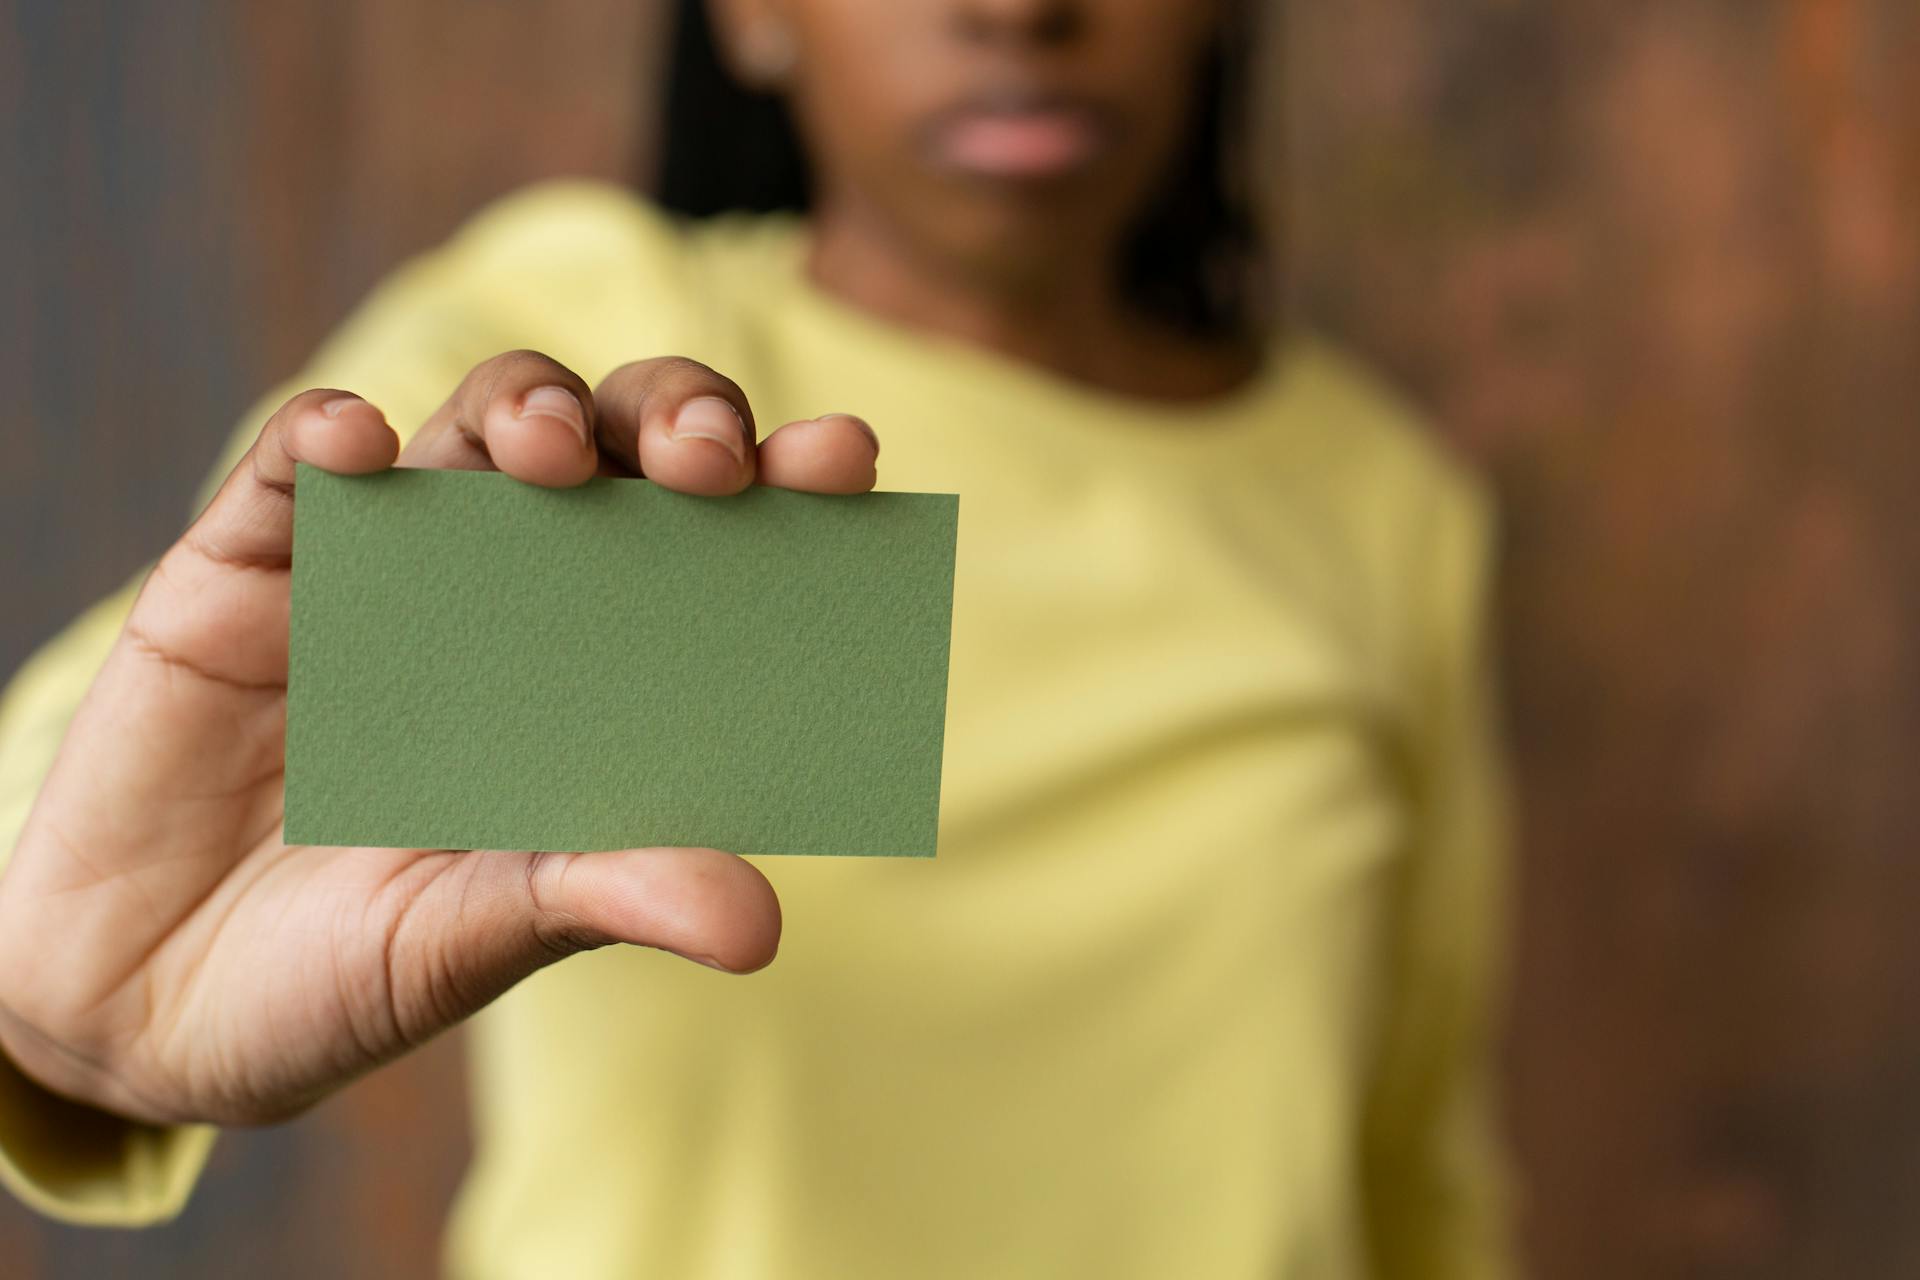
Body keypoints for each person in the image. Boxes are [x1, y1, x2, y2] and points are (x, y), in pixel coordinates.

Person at [0, 0, 1517, 1275]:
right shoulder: (580, 328)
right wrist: (69, 1016)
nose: (1020, 8)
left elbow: (1413, 1172)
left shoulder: (1379, 504)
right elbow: (113, 787)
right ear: (752, 12)